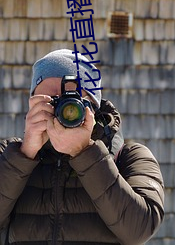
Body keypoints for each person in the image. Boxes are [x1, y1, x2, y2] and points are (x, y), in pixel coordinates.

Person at [0, 49, 164, 245]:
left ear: (93, 106)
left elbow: (139, 230)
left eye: (70, 102)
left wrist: (85, 153)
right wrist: (24, 155)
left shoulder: (130, 157)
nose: (59, 111)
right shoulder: (9, 155)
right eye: (49, 101)